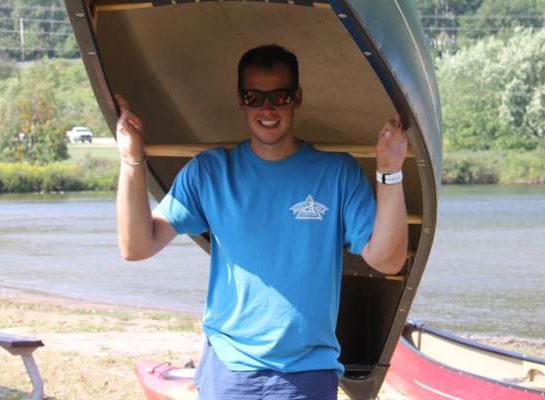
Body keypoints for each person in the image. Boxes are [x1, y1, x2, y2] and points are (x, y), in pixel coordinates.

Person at [115, 44, 408, 400]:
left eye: (279, 96)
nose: (267, 109)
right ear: (241, 100)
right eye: (254, 97)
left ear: (296, 98)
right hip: (229, 372)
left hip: (309, 375)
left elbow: (388, 259)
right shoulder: (209, 172)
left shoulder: (337, 173)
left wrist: (390, 171)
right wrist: (131, 160)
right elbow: (136, 246)